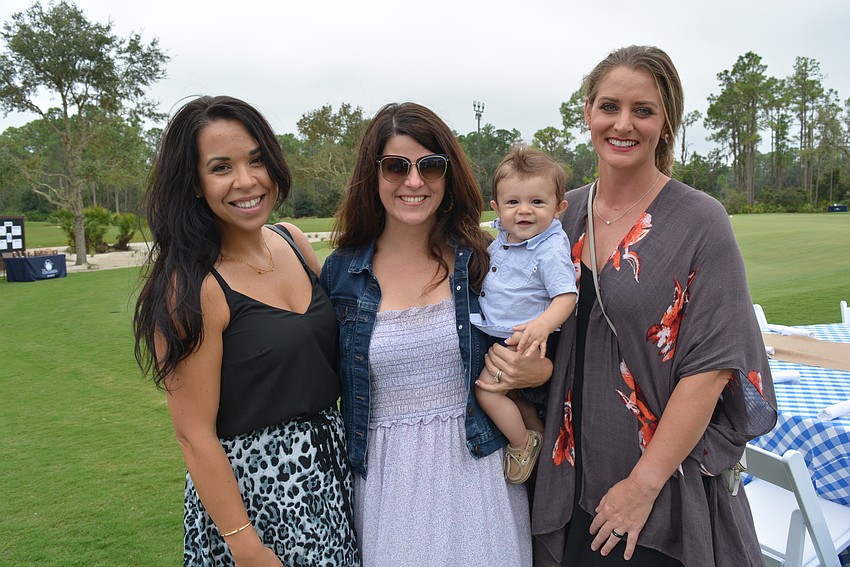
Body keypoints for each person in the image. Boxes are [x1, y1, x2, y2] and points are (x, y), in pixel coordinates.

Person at [530, 46, 778, 567]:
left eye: (643, 110)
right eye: (609, 107)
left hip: (655, 486)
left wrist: (641, 487)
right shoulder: (559, 213)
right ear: (587, 112)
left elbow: (710, 370)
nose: (623, 124)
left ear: (666, 124)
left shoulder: (699, 221)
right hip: (565, 476)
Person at [319, 102, 553, 566]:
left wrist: (535, 369)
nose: (413, 181)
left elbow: (544, 356)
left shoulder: (488, 258)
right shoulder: (341, 272)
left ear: (448, 175)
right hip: (386, 481)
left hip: (479, 470)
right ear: (373, 175)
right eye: (395, 166)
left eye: (430, 165)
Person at [133, 95, 359, 566]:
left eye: (257, 160)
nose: (247, 180)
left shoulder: (291, 241)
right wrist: (247, 546)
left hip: (332, 478)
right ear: (193, 183)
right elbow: (193, 435)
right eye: (221, 167)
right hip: (255, 501)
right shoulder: (191, 287)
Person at [471, 146, 577, 484]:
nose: (524, 211)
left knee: (488, 391)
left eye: (537, 202)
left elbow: (566, 296)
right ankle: (536, 434)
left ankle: (522, 443)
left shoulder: (549, 249)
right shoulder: (503, 235)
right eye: (513, 203)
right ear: (497, 209)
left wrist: (542, 325)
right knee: (516, 396)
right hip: (499, 329)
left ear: (559, 208)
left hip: (523, 336)